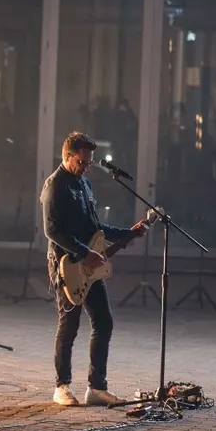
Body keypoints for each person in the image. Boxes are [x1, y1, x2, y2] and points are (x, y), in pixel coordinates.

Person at [42, 131, 146, 407]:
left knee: (104, 322)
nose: (87, 167)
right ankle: (61, 386)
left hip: (90, 264)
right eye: (82, 161)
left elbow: (96, 228)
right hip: (67, 265)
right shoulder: (55, 185)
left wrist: (128, 233)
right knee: (69, 325)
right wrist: (83, 252)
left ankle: (96, 388)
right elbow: (51, 229)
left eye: (89, 162)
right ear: (67, 156)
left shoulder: (85, 184)